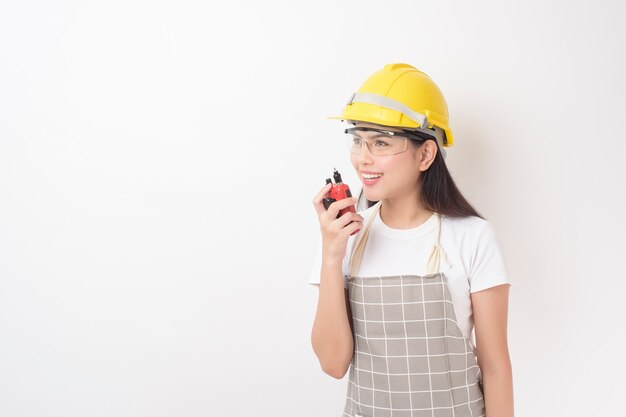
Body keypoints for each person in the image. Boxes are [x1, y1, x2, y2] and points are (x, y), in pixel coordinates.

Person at [309, 63, 514, 417]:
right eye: (358, 140)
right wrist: (331, 255)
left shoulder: (471, 236)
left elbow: (495, 368)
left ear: (425, 154)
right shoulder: (344, 238)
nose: (363, 158)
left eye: (381, 143)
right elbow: (333, 363)